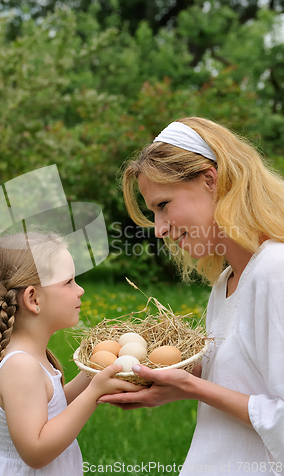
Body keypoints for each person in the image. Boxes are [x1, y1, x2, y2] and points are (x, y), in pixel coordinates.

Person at [99, 117, 284, 474]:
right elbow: (244, 381)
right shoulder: (228, 282)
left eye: (163, 205)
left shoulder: (274, 271)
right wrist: (177, 382)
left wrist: (194, 387)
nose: (160, 229)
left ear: (210, 180)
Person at [0, 230, 141, 475]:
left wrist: (91, 376)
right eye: (69, 282)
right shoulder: (21, 367)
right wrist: (93, 394)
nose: (80, 290)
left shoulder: (22, 353)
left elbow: (51, 408)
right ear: (33, 299)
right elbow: (36, 452)